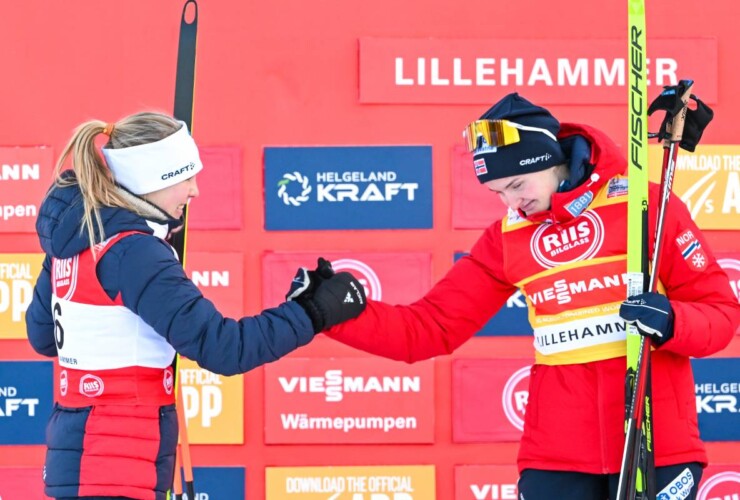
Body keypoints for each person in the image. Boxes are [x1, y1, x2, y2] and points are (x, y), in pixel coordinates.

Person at [292, 93, 740, 499]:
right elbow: (429, 329)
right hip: (557, 455)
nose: (511, 204)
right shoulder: (507, 239)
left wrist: (671, 322)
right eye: (497, 193)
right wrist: (335, 313)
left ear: (553, 161)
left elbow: (720, 315)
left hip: (654, 441)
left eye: (519, 186)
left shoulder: (645, 205)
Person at [25, 111, 366, 500]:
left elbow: (44, 338)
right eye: (185, 177)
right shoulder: (135, 252)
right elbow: (224, 348)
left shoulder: (75, 240)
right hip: (116, 465)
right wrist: (314, 311)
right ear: (153, 180)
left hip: (81, 460)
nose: (195, 190)